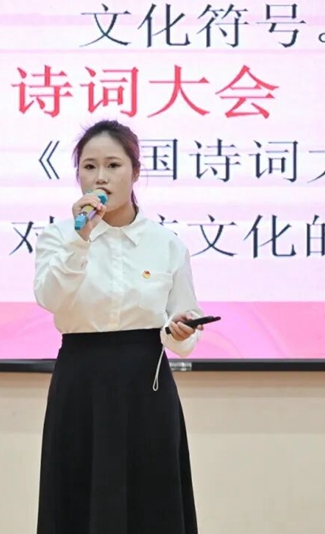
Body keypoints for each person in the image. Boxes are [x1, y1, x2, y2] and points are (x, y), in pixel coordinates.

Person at [33, 119, 205, 534]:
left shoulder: (166, 243)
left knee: (151, 501)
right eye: (89, 167)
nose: (101, 177)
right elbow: (50, 299)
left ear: (135, 172)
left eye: (113, 165)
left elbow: (185, 330)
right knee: (78, 496)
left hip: (146, 387)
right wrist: (80, 239)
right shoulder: (58, 237)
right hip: (81, 383)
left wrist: (181, 330)